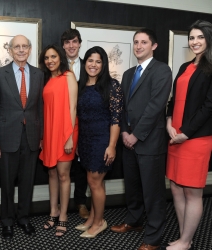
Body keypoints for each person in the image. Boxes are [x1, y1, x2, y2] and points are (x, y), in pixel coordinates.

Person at [110, 28, 172, 250]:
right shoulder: (128, 74)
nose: (138, 46)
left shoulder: (162, 71)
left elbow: (155, 107)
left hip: (149, 142)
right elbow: (124, 107)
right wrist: (125, 132)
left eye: (144, 42)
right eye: (136, 42)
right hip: (129, 141)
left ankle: (154, 237)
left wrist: (136, 135)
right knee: (133, 187)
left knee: (153, 192)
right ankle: (134, 221)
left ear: (154, 46)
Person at [161, 20, 212, 250]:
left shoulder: (211, 67)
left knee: (192, 191)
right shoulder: (184, 67)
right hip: (175, 136)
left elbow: (210, 106)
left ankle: (186, 240)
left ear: (208, 39)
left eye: (200, 37)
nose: (195, 42)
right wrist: (169, 121)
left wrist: (186, 133)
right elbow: (173, 99)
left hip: (196, 138)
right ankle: (185, 236)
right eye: (192, 37)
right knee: (175, 188)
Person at [0, 35, 44, 240]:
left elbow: (40, 109)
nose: (21, 50)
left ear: (30, 49)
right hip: (6, 138)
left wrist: (42, 137)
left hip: (31, 137)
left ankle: (24, 218)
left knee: (27, 182)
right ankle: (7, 221)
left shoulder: (39, 74)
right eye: (16, 47)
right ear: (10, 50)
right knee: (7, 183)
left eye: (24, 46)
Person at [75, 46, 122, 238]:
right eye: (90, 60)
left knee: (94, 182)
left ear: (103, 64)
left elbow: (116, 119)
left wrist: (111, 146)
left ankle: (99, 222)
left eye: (98, 61)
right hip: (85, 140)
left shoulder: (112, 86)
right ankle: (93, 217)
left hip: (102, 140)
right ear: (85, 62)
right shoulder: (81, 85)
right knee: (94, 182)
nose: (93, 65)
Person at [39, 44, 78, 237]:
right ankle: (53, 211)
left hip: (65, 132)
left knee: (63, 175)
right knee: (52, 174)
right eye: (46, 58)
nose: (50, 61)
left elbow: (73, 108)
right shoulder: (46, 79)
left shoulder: (68, 76)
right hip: (49, 133)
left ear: (60, 57)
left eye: (53, 56)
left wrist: (69, 136)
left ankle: (63, 215)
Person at [61, 28, 89, 219]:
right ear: (63, 46)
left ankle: (80, 202)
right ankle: (59, 205)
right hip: (61, 121)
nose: (71, 45)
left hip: (84, 122)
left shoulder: (89, 66)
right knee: (61, 165)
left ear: (79, 44)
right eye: (67, 42)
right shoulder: (57, 66)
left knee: (81, 164)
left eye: (74, 41)